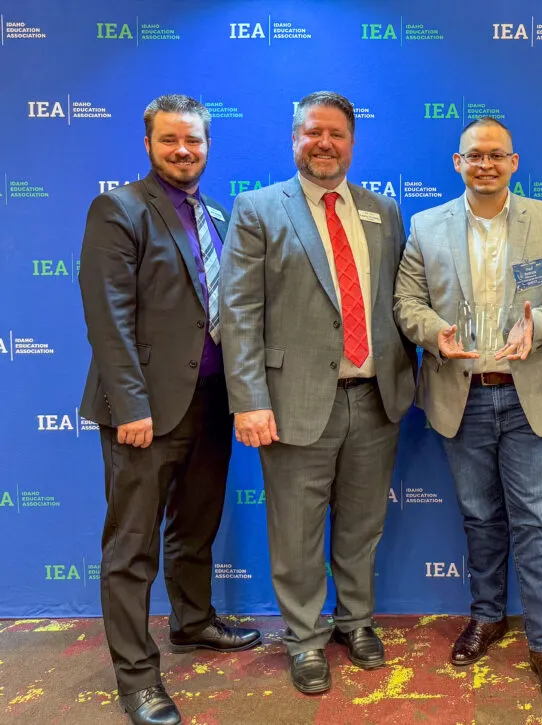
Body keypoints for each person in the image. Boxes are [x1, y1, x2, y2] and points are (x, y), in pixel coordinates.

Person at [394, 117, 542, 708]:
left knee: (535, 522)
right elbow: (406, 300)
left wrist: (541, 325)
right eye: (473, 156)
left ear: (514, 162)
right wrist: (434, 333)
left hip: (530, 392)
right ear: (458, 164)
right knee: (480, 518)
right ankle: (486, 617)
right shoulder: (426, 226)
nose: (485, 164)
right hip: (462, 392)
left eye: (496, 156)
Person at [219, 91, 415, 695]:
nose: (324, 143)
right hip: (292, 400)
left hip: (374, 398)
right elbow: (238, 312)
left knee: (362, 525)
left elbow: (399, 304)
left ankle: (355, 623)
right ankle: (304, 638)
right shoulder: (257, 208)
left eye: (335, 133)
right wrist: (248, 399)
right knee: (297, 531)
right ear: (294, 139)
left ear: (352, 142)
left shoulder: (383, 210)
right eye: (312, 133)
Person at [79, 94, 260, 725]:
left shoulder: (217, 213)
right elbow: (108, 319)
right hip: (144, 413)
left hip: (211, 404)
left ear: (208, 146)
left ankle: (193, 622)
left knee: (196, 528)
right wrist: (130, 405)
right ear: (149, 144)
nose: (183, 151)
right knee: (131, 548)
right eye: (170, 141)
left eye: (194, 141)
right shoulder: (119, 209)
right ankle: (137, 677)